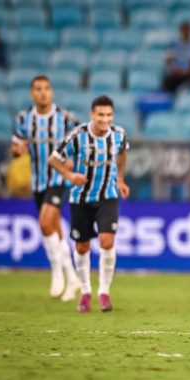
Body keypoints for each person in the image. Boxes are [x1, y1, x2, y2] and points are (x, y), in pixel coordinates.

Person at [48, 96, 130, 313]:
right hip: (80, 198)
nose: (105, 119)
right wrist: (69, 175)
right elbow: (54, 159)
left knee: (106, 241)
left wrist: (120, 179)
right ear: (92, 115)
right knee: (82, 246)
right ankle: (85, 292)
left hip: (108, 196)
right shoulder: (78, 136)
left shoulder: (119, 134)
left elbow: (122, 154)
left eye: (109, 115)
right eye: (101, 115)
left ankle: (104, 291)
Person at [11, 75, 81, 301]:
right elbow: (16, 147)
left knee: (44, 222)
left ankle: (56, 272)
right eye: (38, 89)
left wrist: (73, 162)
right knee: (53, 226)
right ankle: (72, 276)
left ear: (51, 92)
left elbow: (84, 144)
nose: (43, 92)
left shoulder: (66, 118)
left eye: (46, 88)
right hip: (38, 181)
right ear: (32, 93)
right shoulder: (23, 119)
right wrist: (17, 151)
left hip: (59, 179)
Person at [162, 21, 190, 93]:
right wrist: (173, 69)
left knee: (189, 85)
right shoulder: (174, 44)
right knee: (166, 83)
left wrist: (189, 71)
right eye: (184, 30)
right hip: (175, 74)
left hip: (188, 75)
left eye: (188, 30)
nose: (186, 32)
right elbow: (167, 59)